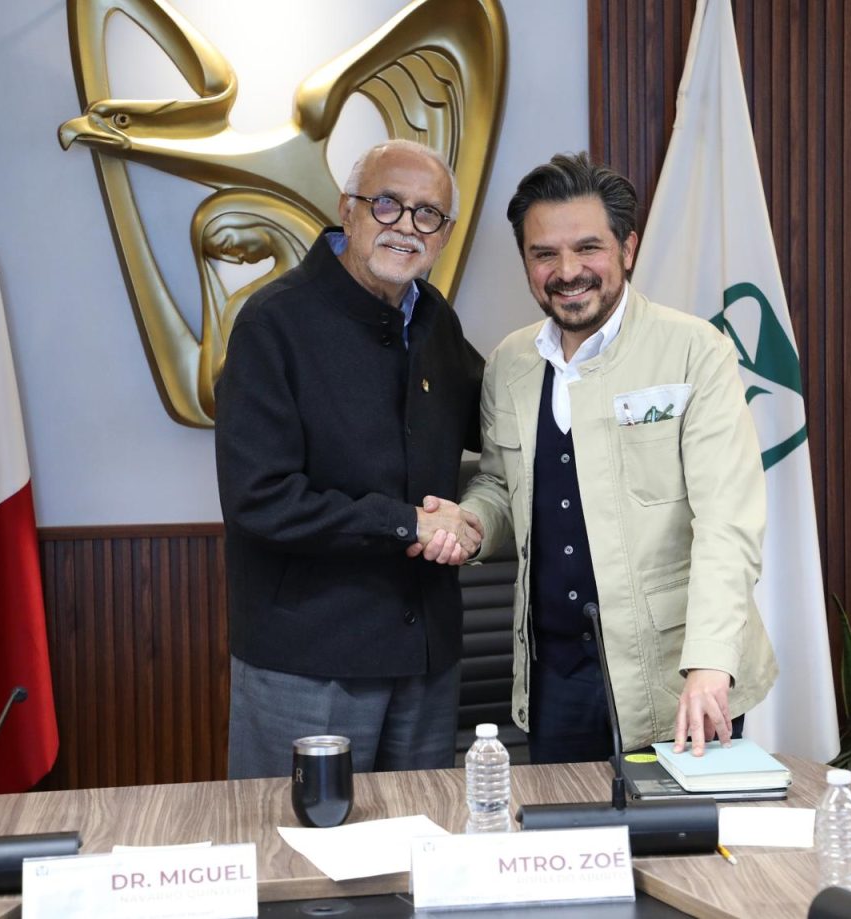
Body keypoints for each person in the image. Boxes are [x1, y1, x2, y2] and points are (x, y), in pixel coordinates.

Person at [424, 152, 777, 763]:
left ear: (627, 248)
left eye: (588, 248)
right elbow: (502, 484)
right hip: (554, 677)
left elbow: (728, 524)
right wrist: (470, 521)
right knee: (567, 827)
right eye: (544, 254)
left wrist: (710, 665)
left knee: (681, 830)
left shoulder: (696, 351)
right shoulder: (510, 363)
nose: (567, 272)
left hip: (677, 676)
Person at [215, 139, 484, 778]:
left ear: (444, 235)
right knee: (296, 836)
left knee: (427, 833)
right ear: (348, 209)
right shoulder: (272, 323)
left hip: (425, 660)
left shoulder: (435, 320)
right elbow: (260, 499)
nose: (406, 226)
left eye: (428, 214)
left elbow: (498, 422)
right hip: (310, 663)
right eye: (387, 204)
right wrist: (406, 523)